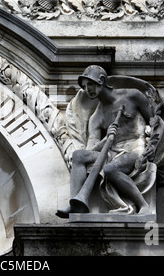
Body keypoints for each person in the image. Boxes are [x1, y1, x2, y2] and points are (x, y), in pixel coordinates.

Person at [56, 65, 155, 218]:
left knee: (110, 169)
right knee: (78, 156)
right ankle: (75, 203)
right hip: (113, 152)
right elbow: (91, 150)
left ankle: (143, 205)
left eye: (90, 84)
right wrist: (104, 139)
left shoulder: (132, 96)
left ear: (101, 80)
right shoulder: (96, 118)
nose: (87, 89)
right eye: (84, 86)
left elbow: (155, 122)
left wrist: (153, 144)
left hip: (136, 148)